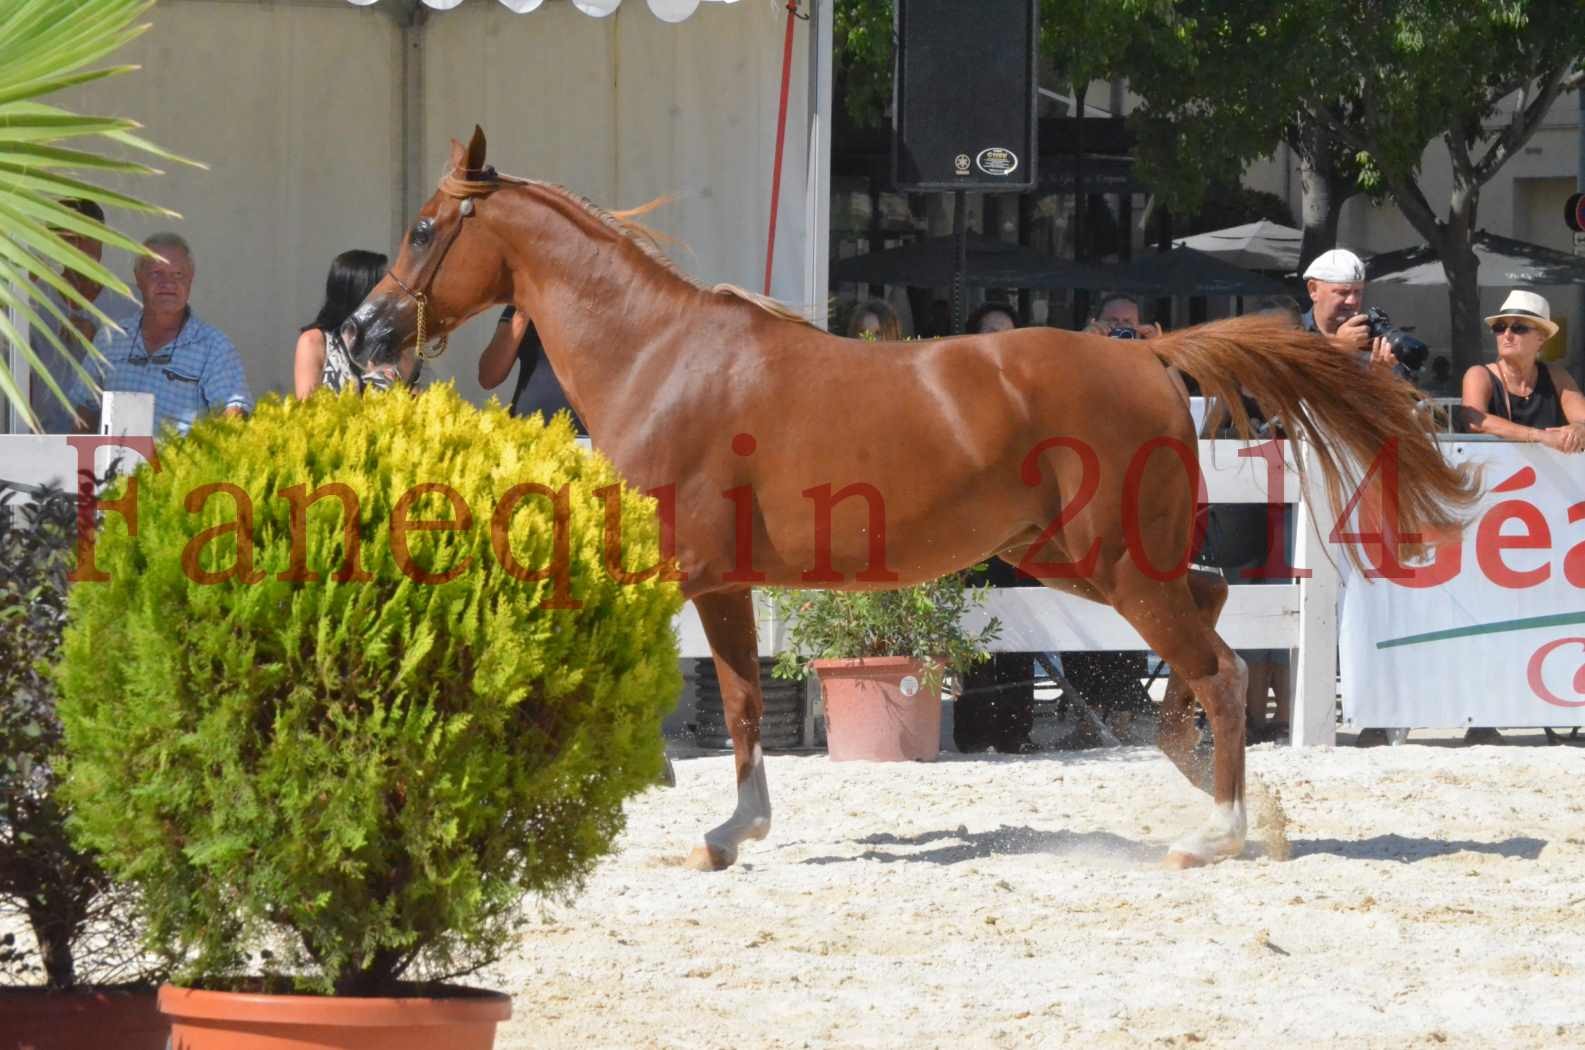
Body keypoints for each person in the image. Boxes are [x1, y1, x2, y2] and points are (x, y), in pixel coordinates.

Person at [953, 303, 1038, 753]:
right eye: (991, 331)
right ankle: (974, 729)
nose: (1000, 339)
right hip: (974, 525)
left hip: (1017, 522)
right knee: (974, 629)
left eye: (1008, 332)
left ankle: (1015, 729)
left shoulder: (1025, 393)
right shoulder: (959, 389)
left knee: (1020, 629)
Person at [70, 232, 251, 435]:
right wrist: (85, 463)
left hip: (181, 465)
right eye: (157, 273)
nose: (168, 283)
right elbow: (84, 405)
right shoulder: (111, 337)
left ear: (191, 279)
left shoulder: (213, 346)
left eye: (178, 274)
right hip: (117, 464)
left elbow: (234, 412)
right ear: (138, 278)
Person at [28, 199, 140, 432]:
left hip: (110, 444)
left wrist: (99, 342)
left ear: (102, 240)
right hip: (41, 442)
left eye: (86, 237)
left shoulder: (131, 303)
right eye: (68, 238)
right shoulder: (33, 298)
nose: (78, 247)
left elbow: (145, 375)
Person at [1459, 290, 1585, 454]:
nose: (1507, 335)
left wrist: (1578, 429)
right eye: (1500, 327)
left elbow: (1582, 419)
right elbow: (1474, 420)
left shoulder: (1557, 376)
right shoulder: (1479, 375)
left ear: (1541, 338)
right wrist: (1539, 436)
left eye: (1518, 328)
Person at [294, 250, 412, 397]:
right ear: (362, 291)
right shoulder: (314, 341)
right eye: (386, 284)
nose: (393, 292)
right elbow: (307, 411)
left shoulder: (397, 347)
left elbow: (411, 401)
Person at [478, 307, 586, 434]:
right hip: (525, 436)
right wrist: (522, 316)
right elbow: (488, 377)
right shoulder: (519, 307)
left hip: (582, 439)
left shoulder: (591, 304)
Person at [1300, 248, 1402, 374]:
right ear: (1313, 290)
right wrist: (1339, 349)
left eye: (1358, 292)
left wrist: (1381, 376)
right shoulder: (1290, 334)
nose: (1352, 301)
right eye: (1343, 292)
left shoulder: (1374, 341)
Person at [1085, 292, 1162, 340]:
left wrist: (1156, 348)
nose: (1120, 326)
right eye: (1112, 320)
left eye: (1127, 322)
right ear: (1095, 323)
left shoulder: (1146, 356)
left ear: (1141, 329)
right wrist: (1083, 340)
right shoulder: (1087, 352)